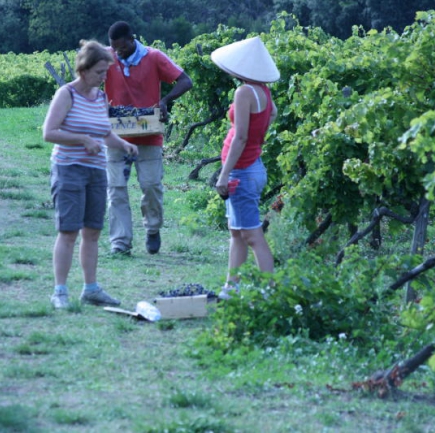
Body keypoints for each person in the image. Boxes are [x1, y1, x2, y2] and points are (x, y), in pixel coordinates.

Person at [43, 40, 139, 309]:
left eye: (106, 72)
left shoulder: (99, 97)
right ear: (83, 70)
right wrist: (83, 140)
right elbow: (49, 132)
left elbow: (105, 133)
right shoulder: (67, 94)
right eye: (99, 72)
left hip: (96, 171)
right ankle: (60, 291)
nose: (104, 77)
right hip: (69, 170)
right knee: (69, 231)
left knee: (93, 232)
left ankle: (91, 289)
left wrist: (123, 143)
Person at [105, 21, 193, 255]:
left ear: (131, 39)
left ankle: (153, 229)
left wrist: (165, 101)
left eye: (121, 48)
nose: (117, 52)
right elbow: (88, 81)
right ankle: (120, 243)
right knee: (115, 189)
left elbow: (186, 81)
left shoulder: (154, 57)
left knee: (151, 186)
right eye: (114, 48)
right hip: (116, 136)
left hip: (149, 135)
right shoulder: (107, 57)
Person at [210, 36, 279, 299]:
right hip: (253, 167)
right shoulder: (263, 90)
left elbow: (240, 136)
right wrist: (257, 138)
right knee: (237, 232)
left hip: (242, 171)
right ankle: (232, 286)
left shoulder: (244, 92)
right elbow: (270, 115)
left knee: (251, 235)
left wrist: (224, 174)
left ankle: (269, 290)